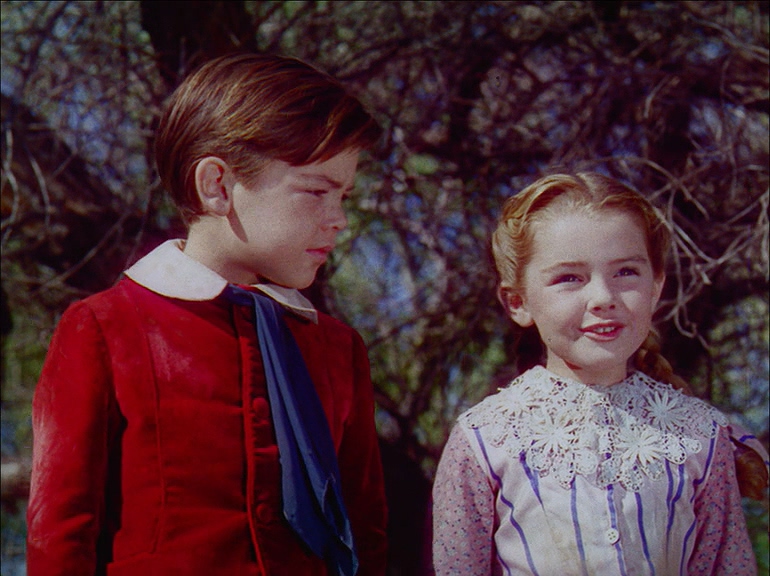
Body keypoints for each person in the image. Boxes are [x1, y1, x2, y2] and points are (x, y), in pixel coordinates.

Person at [27, 52, 388, 576]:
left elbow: (367, 535)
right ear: (217, 185)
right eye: (315, 192)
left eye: (345, 197)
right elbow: (59, 535)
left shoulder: (336, 349)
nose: (339, 220)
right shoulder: (106, 328)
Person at [432, 173, 769, 575]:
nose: (603, 298)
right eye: (569, 278)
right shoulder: (484, 439)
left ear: (656, 286)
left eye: (625, 272)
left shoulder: (701, 436)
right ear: (518, 302)